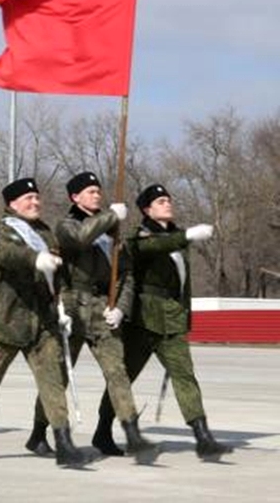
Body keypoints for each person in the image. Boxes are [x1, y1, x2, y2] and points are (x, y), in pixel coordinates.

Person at [23, 172, 156, 460]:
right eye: (90, 191)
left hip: (102, 306)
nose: (97, 195)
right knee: (58, 375)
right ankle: (38, 433)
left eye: (98, 191)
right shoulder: (66, 225)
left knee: (116, 370)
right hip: (71, 304)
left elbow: (127, 274)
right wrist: (110, 217)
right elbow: (81, 239)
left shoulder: (113, 232)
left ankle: (131, 431)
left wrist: (120, 306)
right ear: (75, 197)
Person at [96, 184, 232, 461]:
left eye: (169, 200)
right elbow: (155, 246)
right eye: (161, 201)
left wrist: (184, 314)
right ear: (147, 209)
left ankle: (202, 437)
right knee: (124, 378)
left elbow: (182, 284)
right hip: (143, 321)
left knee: (185, 376)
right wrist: (187, 235)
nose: (168, 204)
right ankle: (103, 430)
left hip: (172, 319)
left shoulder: (175, 238)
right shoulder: (140, 238)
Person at [0, 178, 90, 467]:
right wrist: (35, 259)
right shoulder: (1, 230)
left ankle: (63, 441)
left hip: (42, 322)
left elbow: (60, 275)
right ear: (12, 204)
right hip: (5, 320)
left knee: (52, 380)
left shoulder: (45, 232)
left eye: (37, 197)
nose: (35, 203)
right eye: (28, 198)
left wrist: (64, 308)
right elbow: (8, 254)